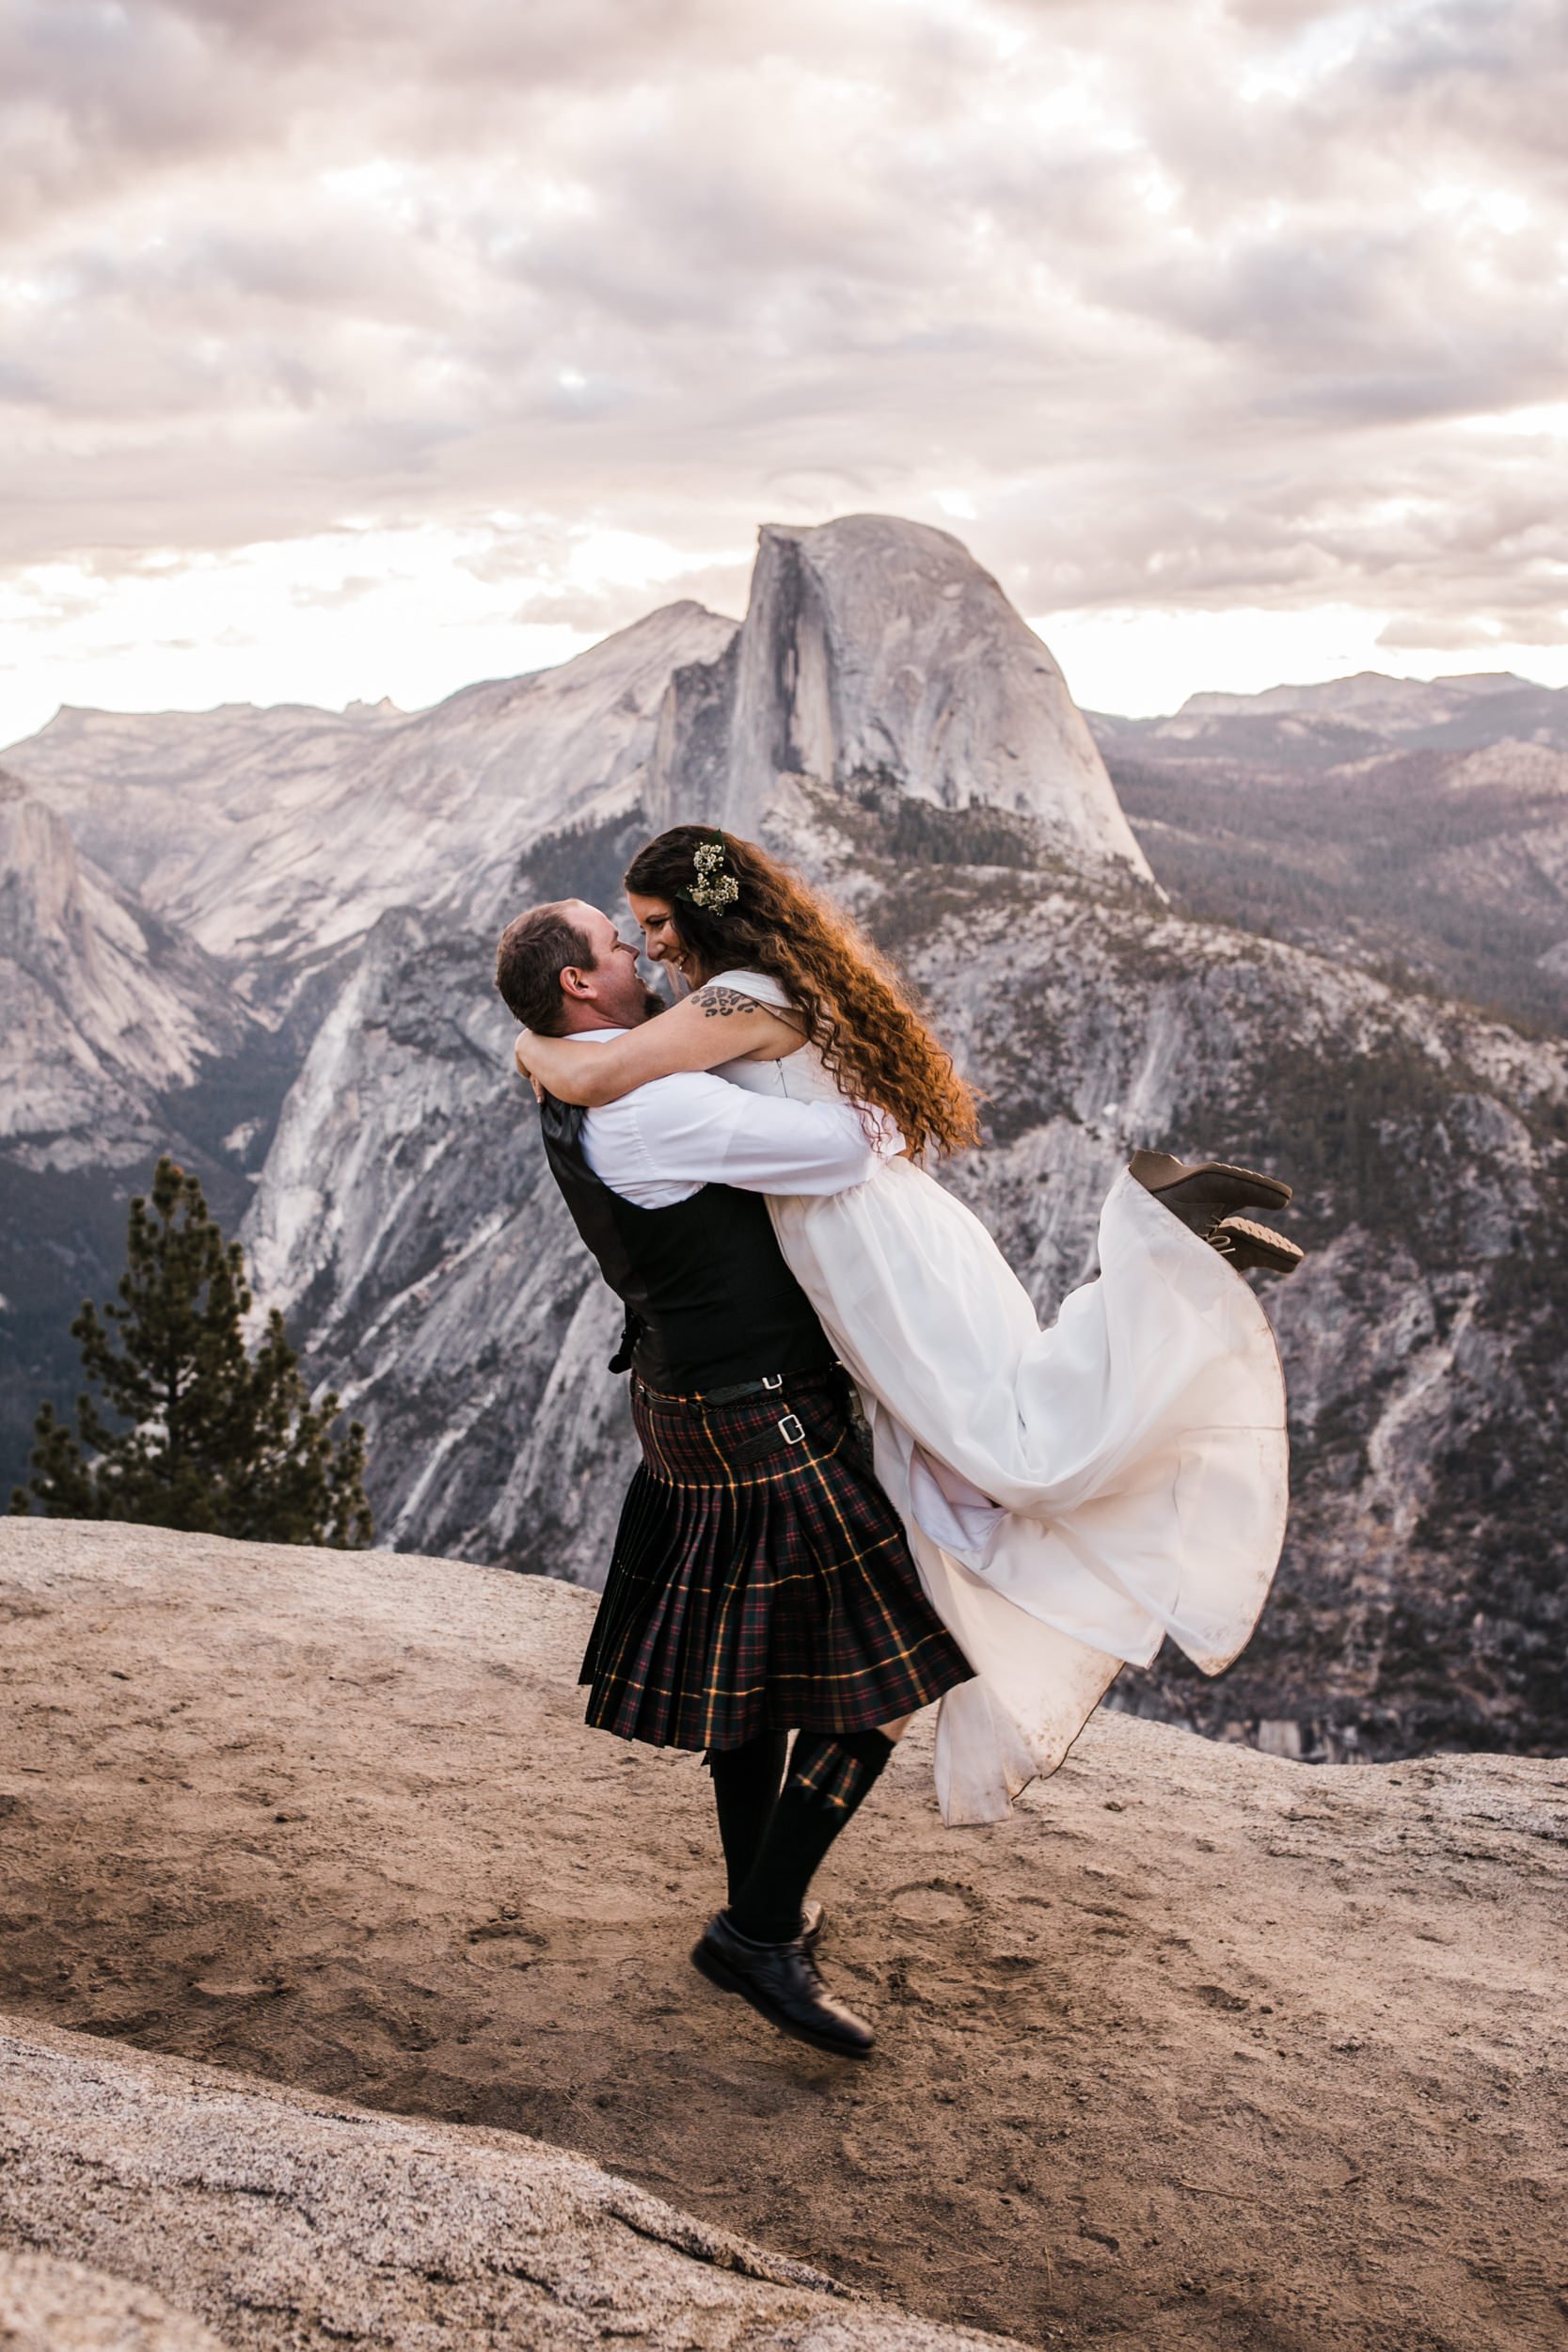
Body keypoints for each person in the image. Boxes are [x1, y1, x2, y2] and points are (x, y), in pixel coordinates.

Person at [513, 825, 1298, 1827]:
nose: (648, 944)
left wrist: (535, 1041)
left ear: (700, 912)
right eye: (632, 935)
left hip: (863, 1246)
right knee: (985, 1418)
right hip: (877, 1233)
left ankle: (1158, 1258)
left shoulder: (730, 998)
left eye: (657, 924)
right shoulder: (749, 985)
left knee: (997, 1445)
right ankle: (1157, 1257)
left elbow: (600, 1074)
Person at [494, 897, 974, 2061]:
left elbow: (572, 1051)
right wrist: (811, 1053)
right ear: (578, 988)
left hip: (681, 1401)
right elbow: (859, 1142)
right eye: (617, 944)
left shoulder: (572, 1072)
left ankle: (754, 1915)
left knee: (748, 1670)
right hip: (760, 1415)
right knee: (885, 1674)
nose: (636, 948)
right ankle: (759, 1926)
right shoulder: (654, 1099)